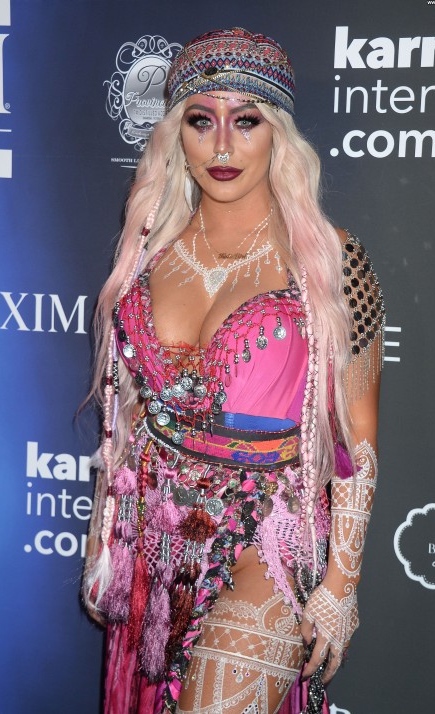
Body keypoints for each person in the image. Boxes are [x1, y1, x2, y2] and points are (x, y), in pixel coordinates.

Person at [83, 27, 385, 714]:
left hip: (267, 545)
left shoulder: (332, 263)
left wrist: (341, 584)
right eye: (201, 120)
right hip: (154, 547)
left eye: (246, 121)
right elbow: (126, 419)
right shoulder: (147, 257)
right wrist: (105, 532)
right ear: (176, 135)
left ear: (279, 134)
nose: (222, 146)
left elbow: (358, 435)